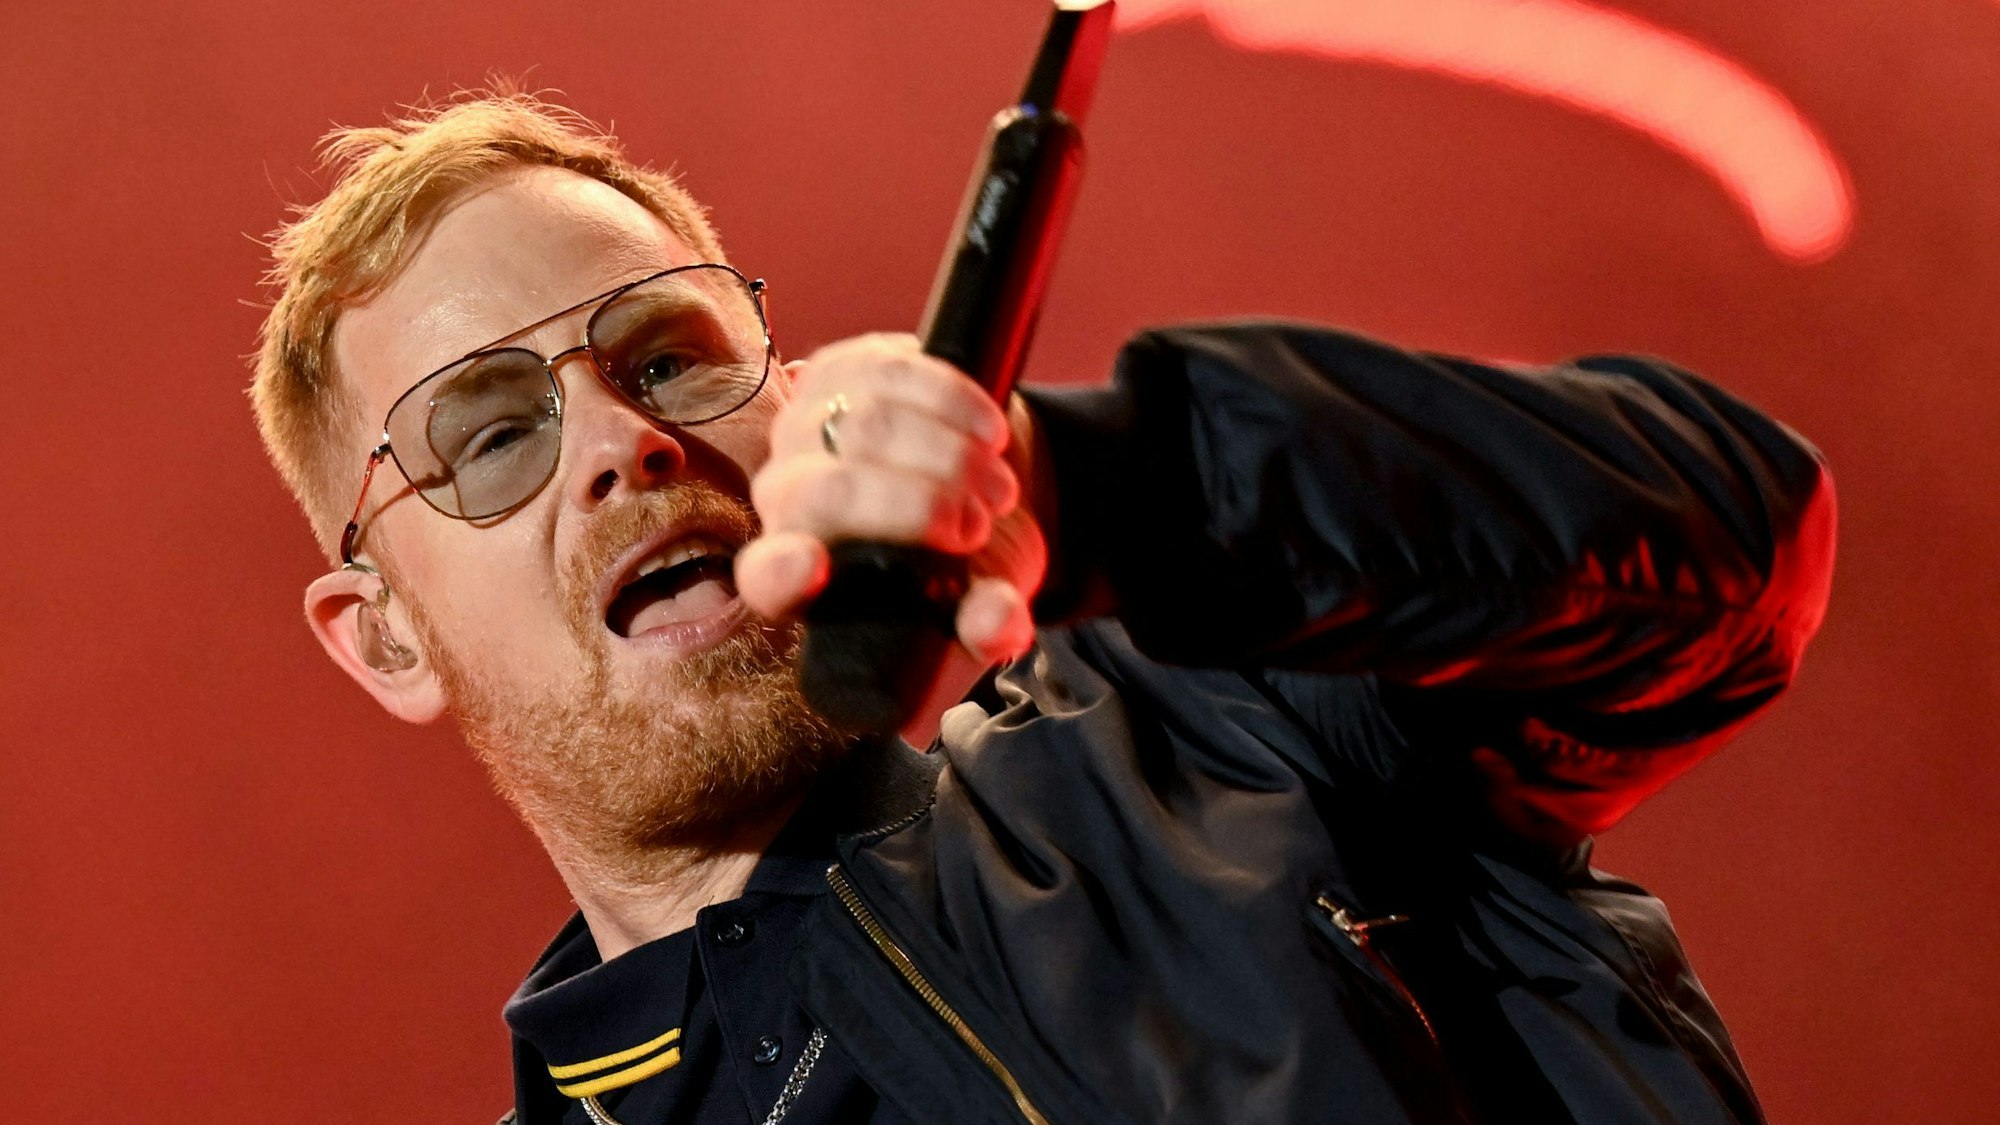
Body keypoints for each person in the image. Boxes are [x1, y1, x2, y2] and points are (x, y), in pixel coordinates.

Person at [251, 92, 1834, 1125]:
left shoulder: (1221, 737)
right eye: (492, 432)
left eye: (666, 355)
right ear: (379, 630)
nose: (623, 441)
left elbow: (1731, 542)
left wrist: (1102, 487)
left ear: (786, 394)